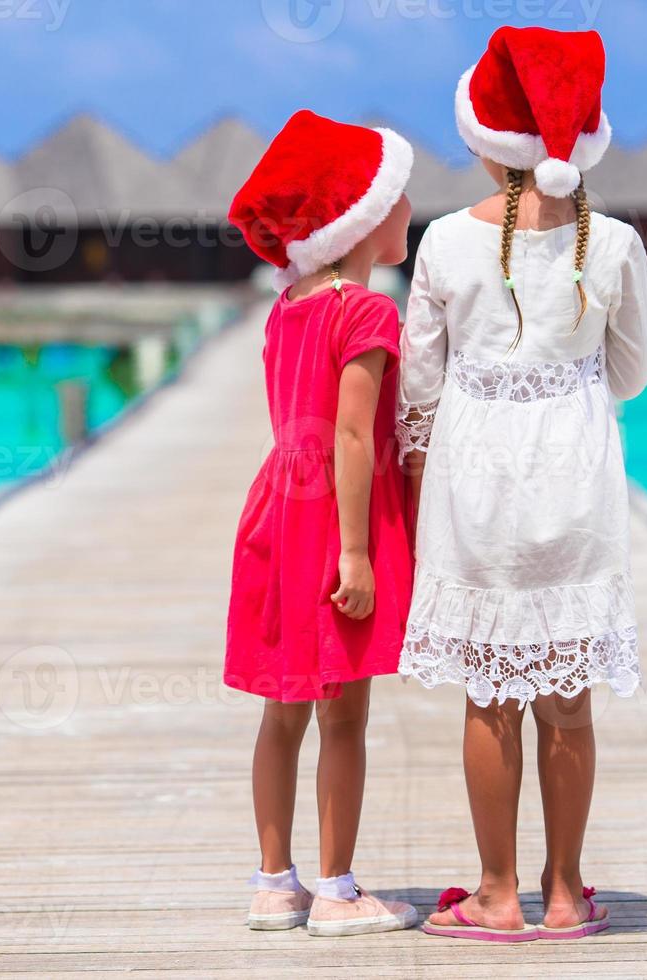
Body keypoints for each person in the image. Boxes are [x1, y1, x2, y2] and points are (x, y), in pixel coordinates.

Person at [396, 27, 647, 942]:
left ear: (483, 138)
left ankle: (496, 892)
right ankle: (563, 891)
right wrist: (567, 383)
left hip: (477, 477)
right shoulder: (616, 242)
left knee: (489, 692)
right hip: (578, 476)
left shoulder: (440, 245)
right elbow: (634, 371)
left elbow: (419, 383)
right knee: (569, 696)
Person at [224, 111, 419, 938]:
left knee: (281, 711)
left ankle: (275, 884)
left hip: (275, 506)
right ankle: (338, 891)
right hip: (333, 520)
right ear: (365, 220)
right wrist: (355, 551)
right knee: (345, 713)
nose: (411, 210)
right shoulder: (368, 315)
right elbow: (350, 433)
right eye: (399, 197)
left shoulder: (287, 308)